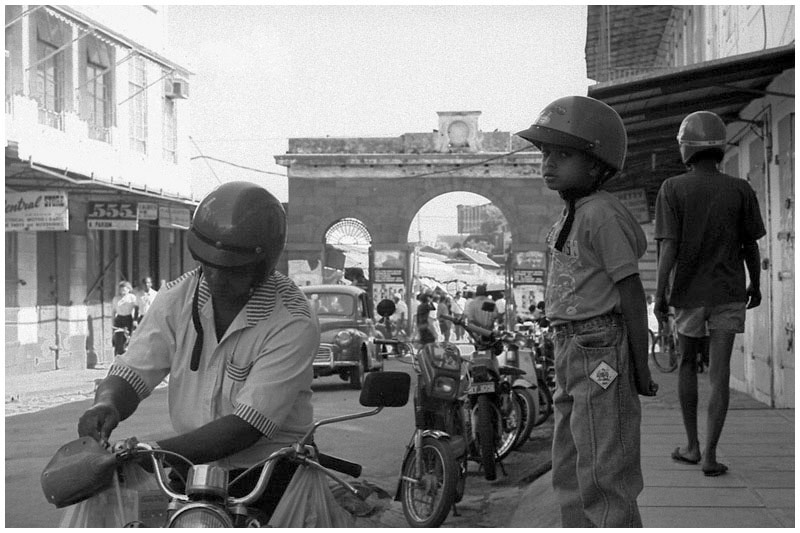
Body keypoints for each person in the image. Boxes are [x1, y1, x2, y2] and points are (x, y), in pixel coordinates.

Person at [78, 181, 320, 522]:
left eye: (232, 270)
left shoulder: (293, 320)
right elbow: (132, 372)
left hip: (269, 475)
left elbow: (247, 425)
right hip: (192, 469)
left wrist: (154, 453)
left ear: (262, 264)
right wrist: (107, 404)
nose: (216, 278)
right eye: (208, 265)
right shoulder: (177, 297)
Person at [516, 95, 657, 527]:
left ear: (596, 165)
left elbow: (631, 292)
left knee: (604, 469)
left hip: (599, 349)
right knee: (570, 464)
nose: (548, 163)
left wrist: (641, 366)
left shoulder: (601, 215)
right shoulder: (571, 212)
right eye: (545, 153)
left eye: (563, 155)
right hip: (569, 347)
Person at [654, 110, 765, 478]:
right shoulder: (740, 189)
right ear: (720, 147)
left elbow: (669, 247)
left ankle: (692, 446)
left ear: (685, 148)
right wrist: (756, 284)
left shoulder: (672, 188)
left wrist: (660, 293)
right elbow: (750, 245)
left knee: (687, 364)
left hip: (689, 294)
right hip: (729, 292)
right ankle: (711, 456)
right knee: (720, 374)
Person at [112, 280, 138, 354]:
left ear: (129, 289)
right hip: (119, 320)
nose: (123, 291)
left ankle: (126, 357)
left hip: (128, 319)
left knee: (127, 339)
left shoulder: (132, 297)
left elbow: (136, 309)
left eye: (124, 289)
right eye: (121, 290)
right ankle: (117, 356)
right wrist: (113, 322)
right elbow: (113, 311)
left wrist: (135, 320)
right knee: (118, 340)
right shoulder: (116, 298)